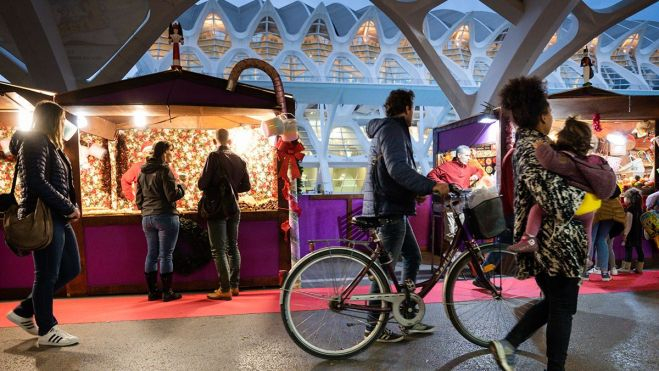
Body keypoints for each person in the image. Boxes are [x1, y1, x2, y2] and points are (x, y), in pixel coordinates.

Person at [489, 76, 588, 371]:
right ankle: (550, 365)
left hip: (548, 240)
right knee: (562, 305)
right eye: (550, 112)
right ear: (543, 116)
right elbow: (552, 197)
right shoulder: (536, 148)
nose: (552, 117)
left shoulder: (531, 145)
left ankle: (509, 344)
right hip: (554, 241)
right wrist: (587, 195)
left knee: (557, 302)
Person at [362, 89, 449, 342]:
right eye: (414, 110)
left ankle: (407, 315)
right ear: (408, 108)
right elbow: (397, 168)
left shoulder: (391, 129)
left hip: (393, 205)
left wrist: (414, 193)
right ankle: (372, 328)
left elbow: (392, 173)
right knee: (384, 270)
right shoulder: (392, 129)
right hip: (388, 208)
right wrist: (428, 186)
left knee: (412, 256)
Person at [5, 101, 82, 347]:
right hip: (46, 216)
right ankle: (47, 329)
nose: (64, 125)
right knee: (47, 274)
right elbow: (37, 182)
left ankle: (25, 310)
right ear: (52, 119)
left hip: (57, 216)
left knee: (71, 268)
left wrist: (66, 208)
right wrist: (68, 206)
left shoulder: (48, 143)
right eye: (61, 119)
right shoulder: (36, 141)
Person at [507, 118, 617, 270]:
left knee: (537, 210)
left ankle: (529, 239)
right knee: (587, 231)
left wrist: (541, 147)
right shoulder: (591, 162)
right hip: (591, 205)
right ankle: (585, 258)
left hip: (575, 203)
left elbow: (550, 161)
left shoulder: (569, 161)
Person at [198, 129, 251, 301]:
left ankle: (225, 288)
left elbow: (202, 183)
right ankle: (234, 286)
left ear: (215, 140)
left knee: (219, 250)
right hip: (233, 207)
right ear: (231, 140)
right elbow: (246, 187)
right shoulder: (240, 159)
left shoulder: (213, 156)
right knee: (233, 247)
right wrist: (231, 188)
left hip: (217, 208)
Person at [136, 140, 186, 302]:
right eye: (170, 151)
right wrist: (182, 186)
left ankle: (152, 292)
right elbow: (172, 195)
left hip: (147, 218)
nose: (172, 154)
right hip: (165, 216)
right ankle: (167, 292)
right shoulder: (165, 170)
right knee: (166, 255)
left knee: (151, 254)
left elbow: (138, 200)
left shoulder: (142, 172)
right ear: (164, 152)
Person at [427, 145, 484, 246]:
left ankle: (455, 253)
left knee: (459, 230)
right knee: (450, 231)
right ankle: (449, 254)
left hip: (462, 203)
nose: (469, 158)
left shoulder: (469, 167)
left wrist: (475, 176)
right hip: (450, 202)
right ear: (459, 155)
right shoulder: (446, 166)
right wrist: (445, 185)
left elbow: (480, 171)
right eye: (466, 155)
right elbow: (431, 175)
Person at [588, 190, 625, 280]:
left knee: (591, 239)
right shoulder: (609, 177)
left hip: (595, 207)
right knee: (602, 240)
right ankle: (605, 273)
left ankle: (585, 271)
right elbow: (617, 191)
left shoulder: (593, 178)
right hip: (611, 208)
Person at [621, 188, 645, 274]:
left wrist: (625, 234)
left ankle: (626, 268)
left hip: (631, 234)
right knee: (639, 249)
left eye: (625, 197)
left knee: (628, 249)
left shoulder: (630, 210)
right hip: (638, 233)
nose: (624, 199)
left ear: (629, 199)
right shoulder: (640, 209)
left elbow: (628, 224)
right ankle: (640, 268)